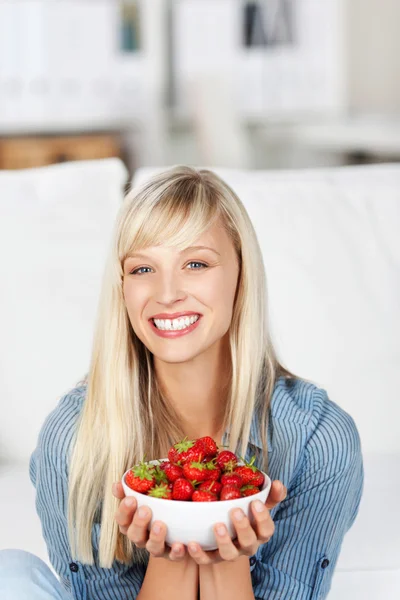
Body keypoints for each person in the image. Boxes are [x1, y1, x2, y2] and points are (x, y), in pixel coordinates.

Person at [0, 166, 364, 599]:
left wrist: (224, 560)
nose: (167, 292)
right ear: (122, 289)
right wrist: (170, 557)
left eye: (195, 263)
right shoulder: (75, 441)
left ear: (241, 276)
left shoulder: (318, 440)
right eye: (142, 269)